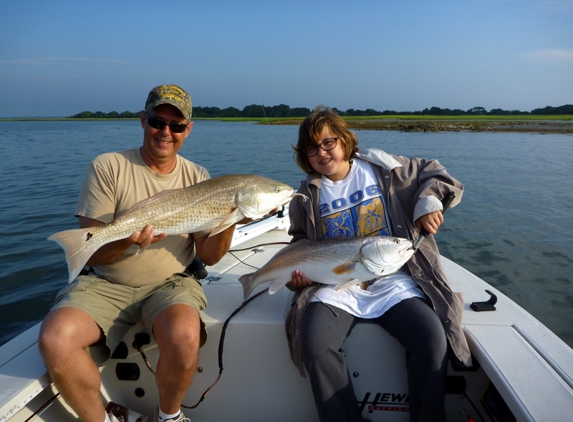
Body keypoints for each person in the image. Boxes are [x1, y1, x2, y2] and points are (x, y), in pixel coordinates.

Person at [39, 85, 244, 422]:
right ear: (143, 120)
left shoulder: (199, 178)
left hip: (170, 283)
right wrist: (128, 240)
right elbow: (91, 254)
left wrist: (233, 218)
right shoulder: (109, 166)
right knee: (55, 338)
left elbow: (207, 257)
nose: (165, 132)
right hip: (107, 282)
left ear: (188, 130)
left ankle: (169, 417)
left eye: (176, 126)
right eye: (157, 121)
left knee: (185, 334)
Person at [285, 106, 471, 422]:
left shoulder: (386, 169)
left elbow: (436, 174)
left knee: (431, 338)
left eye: (329, 142)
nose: (322, 152)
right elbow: (300, 241)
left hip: (394, 280)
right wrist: (298, 276)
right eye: (312, 148)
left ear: (344, 141)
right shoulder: (306, 196)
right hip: (337, 285)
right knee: (314, 343)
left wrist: (428, 202)